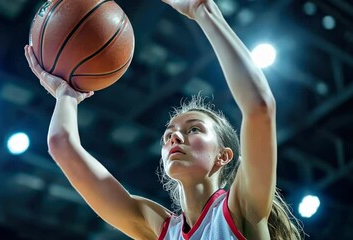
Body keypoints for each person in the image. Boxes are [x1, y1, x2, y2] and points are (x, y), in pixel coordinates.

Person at [24, 0, 304, 239]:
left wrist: (203, 10)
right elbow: (62, 145)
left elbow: (259, 107)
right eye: (169, 132)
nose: (174, 136)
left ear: (223, 156)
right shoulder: (160, 228)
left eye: (194, 129)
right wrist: (66, 96)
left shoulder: (242, 208)